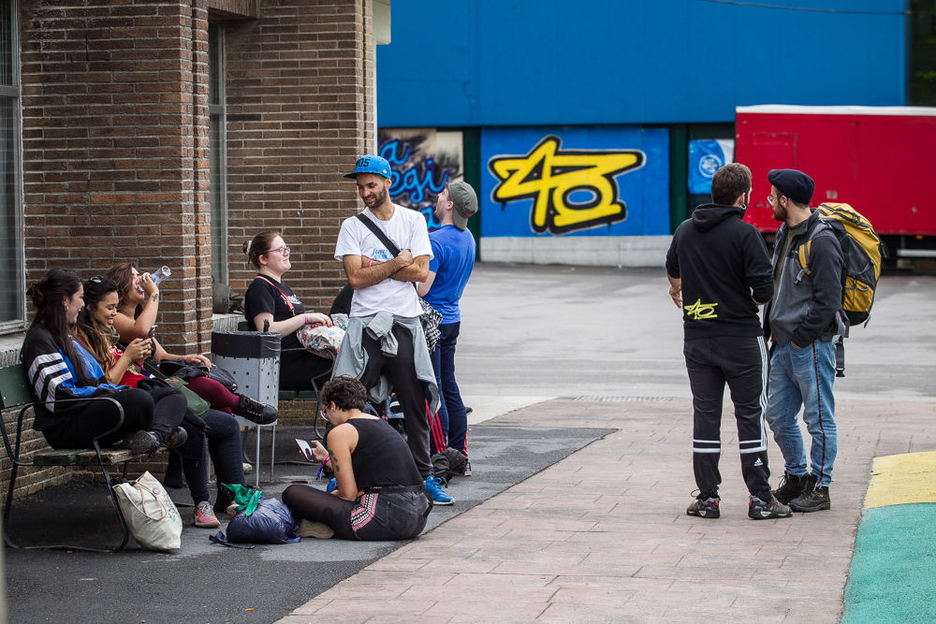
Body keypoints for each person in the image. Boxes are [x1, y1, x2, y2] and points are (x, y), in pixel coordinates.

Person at [665, 163, 791, 520]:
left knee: (705, 414)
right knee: (750, 414)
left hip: (698, 340)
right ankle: (761, 498)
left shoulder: (686, 231)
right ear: (743, 197)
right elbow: (764, 290)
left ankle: (707, 498)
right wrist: (738, 303)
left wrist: (677, 289)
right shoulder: (745, 234)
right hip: (740, 342)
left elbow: (672, 266)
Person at [76, 276, 247, 527]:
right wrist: (129, 358)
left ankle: (230, 497)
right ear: (89, 307)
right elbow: (105, 384)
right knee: (195, 423)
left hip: (149, 396)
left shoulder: (107, 333)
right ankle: (203, 503)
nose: (113, 313)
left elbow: (151, 360)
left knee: (225, 423)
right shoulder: (84, 340)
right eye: (109, 308)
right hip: (129, 407)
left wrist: (138, 359)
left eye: (115, 307)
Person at [332, 154, 452, 506]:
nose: (365, 192)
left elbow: (419, 273)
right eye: (360, 187)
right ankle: (337, 473)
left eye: (371, 185)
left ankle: (425, 475)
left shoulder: (414, 220)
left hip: (404, 323)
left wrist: (378, 265)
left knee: (414, 404)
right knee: (349, 400)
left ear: (387, 183)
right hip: (366, 324)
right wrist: (399, 260)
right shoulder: (352, 226)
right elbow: (355, 279)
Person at [20, 269, 186, 455]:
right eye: (80, 298)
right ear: (65, 301)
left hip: (90, 408)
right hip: (67, 424)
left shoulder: (66, 334)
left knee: (172, 395)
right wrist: (114, 392)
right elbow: (60, 397)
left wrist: (113, 390)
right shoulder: (40, 339)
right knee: (139, 399)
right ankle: (163, 431)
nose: (82, 304)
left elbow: (96, 380)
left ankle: (154, 436)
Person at [105, 261, 276, 423]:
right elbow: (140, 330)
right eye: (133, 277)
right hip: (148, 383)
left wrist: (187, 358)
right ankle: (243, 404)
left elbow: (161, 355)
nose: (141, 279)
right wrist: (154, 293)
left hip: (159, 375)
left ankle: (237, 412)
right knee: (208, 387)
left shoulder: (140, 317)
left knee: (224, 411)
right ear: (122, 285)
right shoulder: (115, 318)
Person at [763, 169, 844, 512]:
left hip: (810, 346)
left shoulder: (822, 240)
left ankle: (821, 488)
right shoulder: (785, 232)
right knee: (778, 417)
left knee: (819, 418)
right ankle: (798, 478)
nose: (768, 202)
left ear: (785, 199)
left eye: (772, 196)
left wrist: (800, 339)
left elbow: (829, 301)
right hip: (781, 344)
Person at [282, 376, 431, 540]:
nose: (328, 417)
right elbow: (367, 473)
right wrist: (326, 459)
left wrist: (321, 502)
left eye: (325, 412)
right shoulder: (380, 424)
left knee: (293, 492)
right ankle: (320, 523)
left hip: (381, 519)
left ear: (332, 405)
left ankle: (318, 524)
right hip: (416, 518)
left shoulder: (340, 432)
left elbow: (348, 494)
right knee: (329, 495)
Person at [416, 180, 478, 470]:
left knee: (434, 389)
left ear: (450, 204)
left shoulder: (436, 241)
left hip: (432, 323)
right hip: (453, 319)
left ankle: (440, 457)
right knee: (450, 385)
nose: (438, 197)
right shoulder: (468, 239)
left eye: (442, 194)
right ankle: (460, 454)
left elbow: (422, 289)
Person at [242, 231, 335, 392]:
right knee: (349, 369)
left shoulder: (282, 287)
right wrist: (305, 318)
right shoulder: (260, 287)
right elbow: (267, 329)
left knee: (357, 363)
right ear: (263, 259)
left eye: (287, 249)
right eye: (280, 250)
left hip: (304, 356)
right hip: (285, 364)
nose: (286, 254)